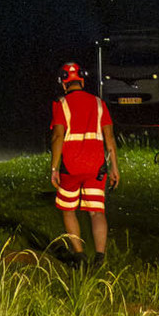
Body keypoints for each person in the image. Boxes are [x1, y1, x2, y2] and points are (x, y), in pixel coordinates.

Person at [49, 57, 118, 258]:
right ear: (82, 81)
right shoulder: (99, 103)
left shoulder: (60, 104)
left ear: (63, 82)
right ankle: (99, 257)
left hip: (70, 167)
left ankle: (79, 255)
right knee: (96, 212)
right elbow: (110, 138)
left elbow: (57, 136)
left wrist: (54, 168)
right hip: (96, 167)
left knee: (68, 210)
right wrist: (114, 167)